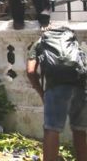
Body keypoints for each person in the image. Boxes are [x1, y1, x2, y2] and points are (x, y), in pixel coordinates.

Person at [26, 29, 87, 161]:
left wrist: (42, 92)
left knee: (51, 129)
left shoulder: (40, 43)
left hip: (56, 87)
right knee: (79, 129)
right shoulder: (72, 42)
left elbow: (30, 71)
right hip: (79, 85)